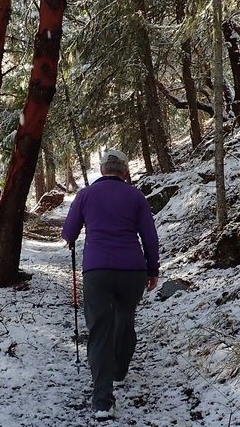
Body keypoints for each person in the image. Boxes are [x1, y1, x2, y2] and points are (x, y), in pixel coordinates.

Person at [62, 149, 159, 420]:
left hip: (97, 271)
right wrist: (153, 269)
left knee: (100, 331)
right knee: (125, 320)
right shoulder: (136, 196)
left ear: (103, 170)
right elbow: (150, 236)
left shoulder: (85, 195)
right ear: (125, 172)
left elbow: (68, 233)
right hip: (132, 270)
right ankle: (118, 371)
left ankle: (102, 402)